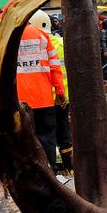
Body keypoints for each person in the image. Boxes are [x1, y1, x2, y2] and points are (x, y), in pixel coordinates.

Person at [16, 12, 66, 172]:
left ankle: (28, 173)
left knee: (22, 139)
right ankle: (50, 171)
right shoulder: (42, 36)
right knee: (46, 138)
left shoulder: (2, 38)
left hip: (17, 102)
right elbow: (55, 67)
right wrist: (60, 91)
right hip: (43, 99)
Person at [30, 10, 73, 174]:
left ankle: (49, 168)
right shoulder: (61, 43)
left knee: (45, 135)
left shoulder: (35, 43)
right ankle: (69, 168)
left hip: (44, 99)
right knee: (64, 134)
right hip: (63, 97)